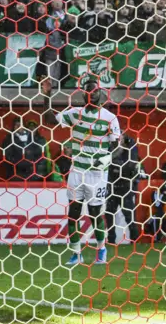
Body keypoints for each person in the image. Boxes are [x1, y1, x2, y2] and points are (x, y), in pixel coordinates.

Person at [42, 77, 121, 265]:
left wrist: (109, 157)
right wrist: (47, 96)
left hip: (97, 175)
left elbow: (118, 145)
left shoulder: (110, 118)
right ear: (83, 96)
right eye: (87, 92)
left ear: (100, 93)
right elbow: (49, 119)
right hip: (77, 171)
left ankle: (101, 249)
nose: (91, 95)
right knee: (73, 214)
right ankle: (76, 253)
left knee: (95, 213)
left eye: (94, 91)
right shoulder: (75, 114)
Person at [105, 133, 141, 244]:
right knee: (109, 214)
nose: (117, 140)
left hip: (126, 186)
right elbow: (107, 161)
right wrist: (118, 164)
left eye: (119, 138)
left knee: (129, 215)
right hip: (112, 186)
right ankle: (111, 240)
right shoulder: (110, 146)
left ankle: (135, 240)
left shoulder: (131, 147)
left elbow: (130, 165)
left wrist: (116, 164)